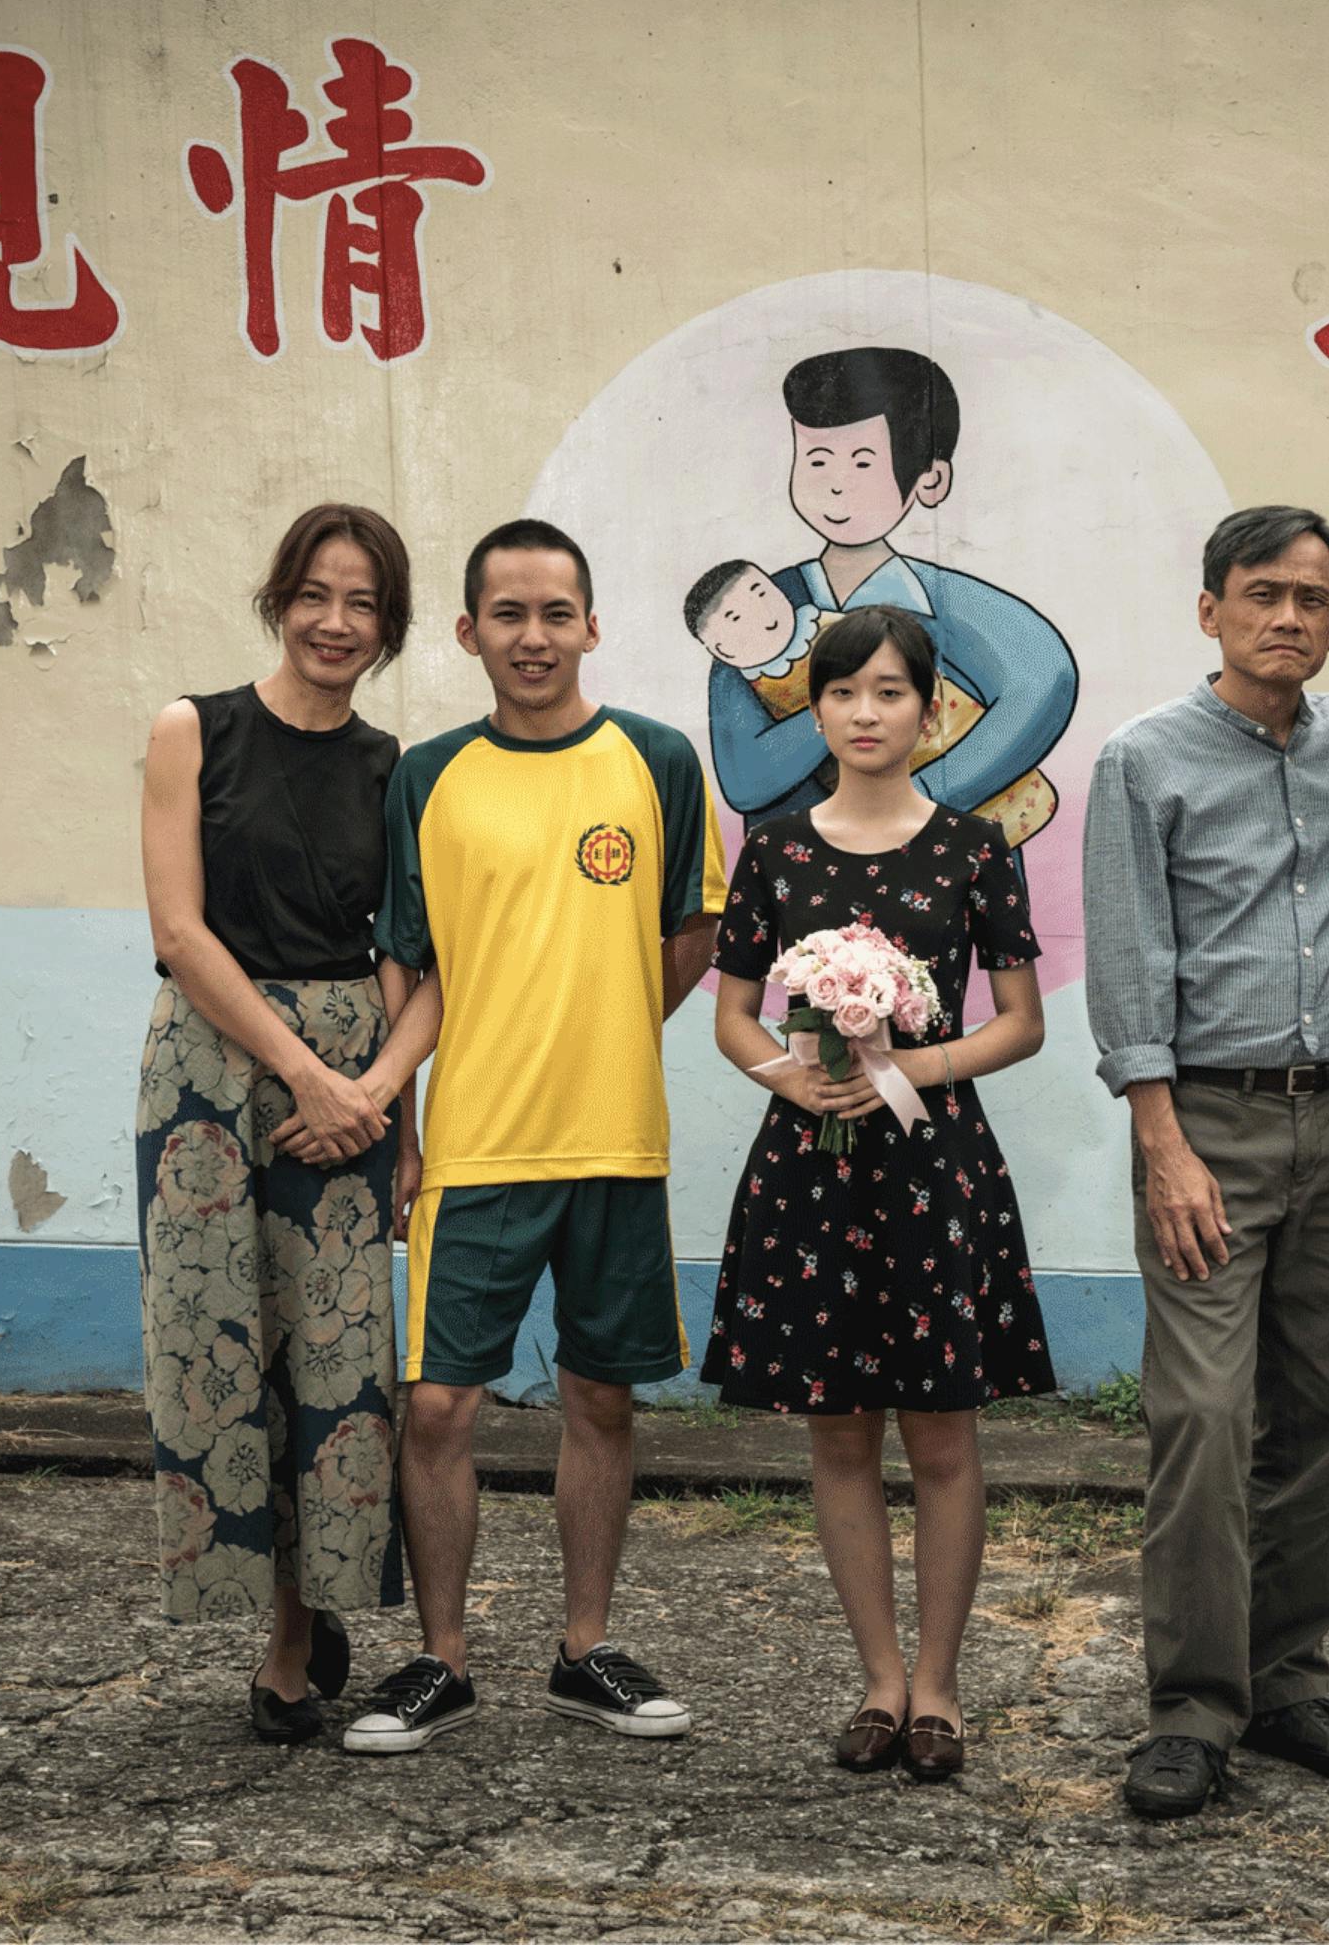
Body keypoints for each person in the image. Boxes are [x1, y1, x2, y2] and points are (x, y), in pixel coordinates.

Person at [1081, 504, 1329, 1820]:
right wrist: (1161, 1142)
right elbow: (1129, 959)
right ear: (1210, 610)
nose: (1286, 616)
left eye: (1310, 596)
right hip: (1206, 1125)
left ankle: (1287, 1674)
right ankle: (1191, 1705)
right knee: (1201, 1413)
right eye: (1260, 594)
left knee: (1319, 1407)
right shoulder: (1145, 759)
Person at [343, 519, 727, 1756]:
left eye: (556, 612)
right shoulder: (430, 774)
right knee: (441, 1405)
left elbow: (687, 935)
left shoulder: (658, 760)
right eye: (507, 614)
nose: (532, 636)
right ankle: (440, 1660)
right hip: (473, 1147)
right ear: (468, 632)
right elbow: (408, 963)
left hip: (614, 1140)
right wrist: (400, 1129)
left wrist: (600, 1023)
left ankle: (585, 1649)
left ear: (592, 625)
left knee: (599, 1396)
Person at [704, 605, 1055, 1783]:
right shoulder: (776, 848)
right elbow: (730, 1015)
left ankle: (941, 1689)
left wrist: (909, 1066)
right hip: (810, 1172)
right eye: (843, 691)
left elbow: (1019, 1023)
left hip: (932, 1167)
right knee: (838, 1431)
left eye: (891, 692)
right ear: (817, 706)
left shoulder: (972, 848)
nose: (865, 713)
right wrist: (798, 1083)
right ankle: (876, 1682)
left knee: (943, 1434)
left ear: (927, 708)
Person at [135, 500, 441, 1744]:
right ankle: (274, 1603)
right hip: (208, 1073)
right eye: (316, 592)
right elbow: (177, 931)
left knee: (339, 1367)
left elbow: (408, 964)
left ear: (390, 624)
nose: (335, 620)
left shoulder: (397, 769)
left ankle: (292, 1637)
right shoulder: (190, 730)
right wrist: (301, 1071)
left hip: (352, 1084)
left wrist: (382, 1109)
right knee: (218, 1348)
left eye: (363, 601)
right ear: (280, 597)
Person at [702, 348, 1077, 853]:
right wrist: (847, 710)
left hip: (944, 866)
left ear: (930, 480)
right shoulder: (758, 609)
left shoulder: (948, 601)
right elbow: (746, 779)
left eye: (862, 462)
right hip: (806, 872)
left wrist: (926, 794)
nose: (835, 485)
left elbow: (1046, 678)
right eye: (816, 460)